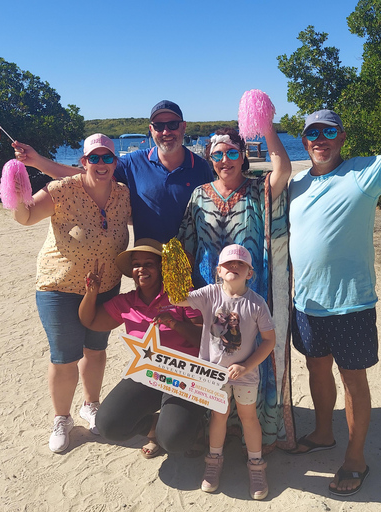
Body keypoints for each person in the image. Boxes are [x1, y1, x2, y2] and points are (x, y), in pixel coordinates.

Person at [286, 56, 381, 497]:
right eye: (312, 133)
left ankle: (355, 457)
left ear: (342, 137)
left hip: (350, 302)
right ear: (305, 140)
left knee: (353, 381)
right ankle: (323, 434)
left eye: (329, 131)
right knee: (316, 371)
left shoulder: (363, 173)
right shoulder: (295, 183)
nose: (320, 139)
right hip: (306, 303)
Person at [176, 125, 295, 452]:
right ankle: (217, 428)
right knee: (213, 355)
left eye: (231, 152)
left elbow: (283, 168)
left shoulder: (259, 189)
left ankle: (255, 430)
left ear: (243, 154)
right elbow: (187, 243)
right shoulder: (199, 194)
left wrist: (266, 124)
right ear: (209, 158)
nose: (225, 160)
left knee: (250, 356)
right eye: (217, 154)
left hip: (251, 292)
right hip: (210, 291)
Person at [11, 134, 131, 453]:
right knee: (65, 357)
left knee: (95, 349)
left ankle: (91, 406)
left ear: (115, 163)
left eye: (108, 158)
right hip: (60, 287)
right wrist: (18, 193)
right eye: (95, 158)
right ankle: (61, 418)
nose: (101, 164)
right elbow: (26, 217)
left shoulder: (123, 194)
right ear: (83, 162)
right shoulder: (61, 189)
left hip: (106, 287)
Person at [13, 100, 214, 242]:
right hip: (147, 263)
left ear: (184, 127)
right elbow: (90, 176)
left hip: (191, 258)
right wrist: (37, 161)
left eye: (172, 125)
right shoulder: (135, 162)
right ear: (151, 130)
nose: (166, 132)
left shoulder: (202, 167)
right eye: (159, 126)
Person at [78, 239, 205, 458]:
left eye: (149, 264)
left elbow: (204, 339)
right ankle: (155, 427)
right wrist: (91, 293)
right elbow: (91, 321)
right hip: (148, 372)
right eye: (137, 264)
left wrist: (174, 323)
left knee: (174, 439)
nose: (141, 269)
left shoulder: (182, 294)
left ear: (161, 268)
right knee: (108, 424)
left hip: (185, 373)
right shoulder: (126, 302)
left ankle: (195, 427)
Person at [174, 244, 276, 500]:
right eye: (228, 264)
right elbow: (177, 298)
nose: (234, 267)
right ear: (218, 270)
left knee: (248, 417)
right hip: (212, 374)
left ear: (250, 273)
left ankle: (256, 465)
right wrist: (173, 267)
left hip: (246, 376)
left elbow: (269, 341)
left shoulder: (257, 304)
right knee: (218, 416)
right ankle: (214, 460)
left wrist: (246, 366)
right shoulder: (209, 294)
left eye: (240, 264)